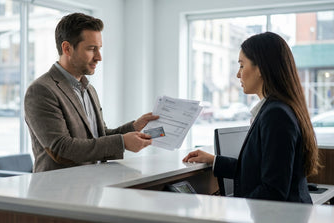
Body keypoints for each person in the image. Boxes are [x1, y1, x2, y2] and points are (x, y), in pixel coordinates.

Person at [183, 32, 320, 203]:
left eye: (241, 65)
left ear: (261, 68)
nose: (238, 75)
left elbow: (273, 191)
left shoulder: (276, 114)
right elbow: (258, 171)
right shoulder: (277, 108)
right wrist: (214, 161)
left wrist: (233, 207)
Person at [24, 13, 158, 172]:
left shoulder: (88, 89)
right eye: (91, 49)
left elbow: (99, 136)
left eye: (99, 49)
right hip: (58, 191)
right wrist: (122, 142)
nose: (99, 57)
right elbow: (61, 149)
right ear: (67, 48)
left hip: (91, 187)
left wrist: (134, 127)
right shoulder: (41, 90)